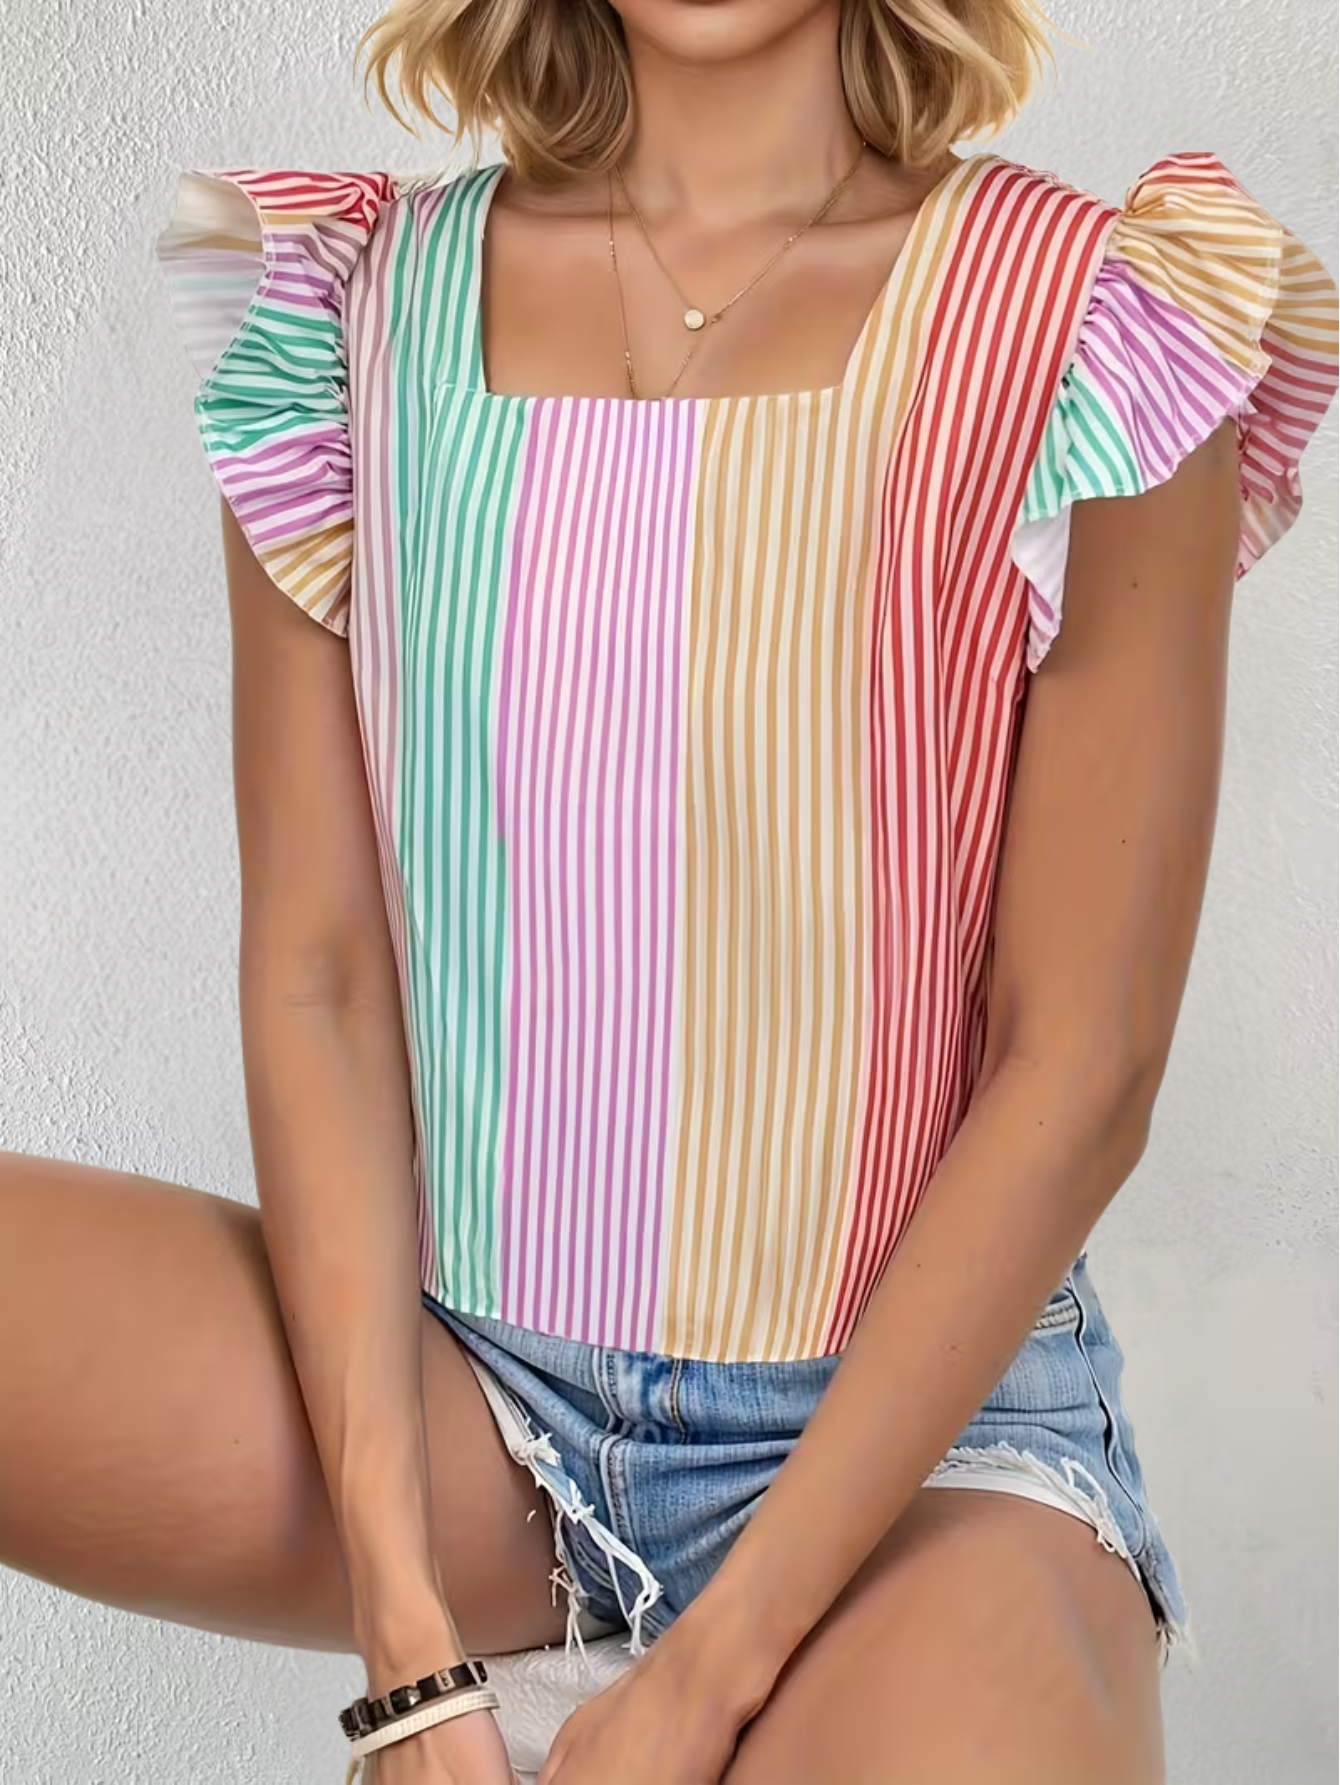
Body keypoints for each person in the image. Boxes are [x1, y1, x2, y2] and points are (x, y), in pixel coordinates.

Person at [3, 1, 1337, 1780]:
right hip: (474, 1395)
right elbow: (322, 970)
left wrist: (705, 1681)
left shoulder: (1103, 312)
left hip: (928, 1449)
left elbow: (1083, 1064)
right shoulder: (348, 304)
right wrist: (408, 1646)